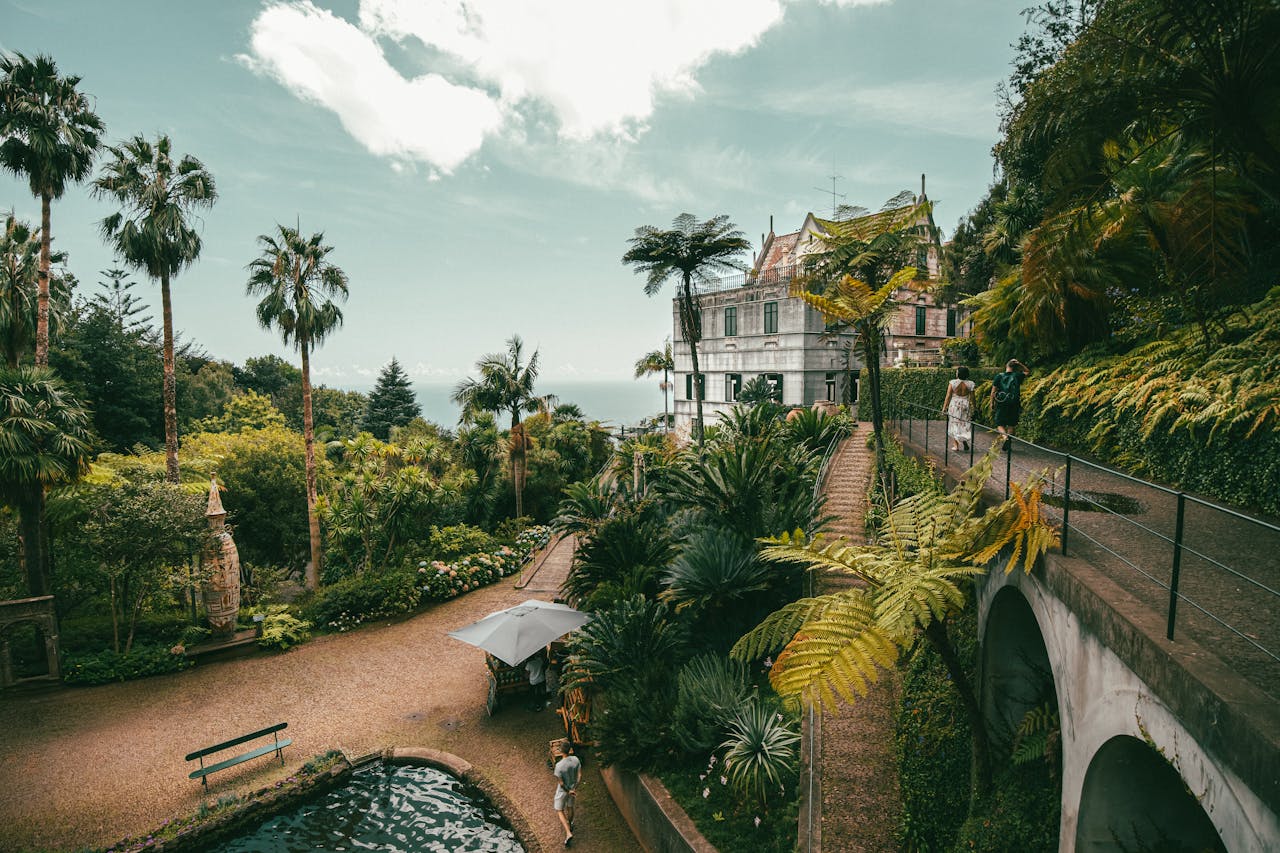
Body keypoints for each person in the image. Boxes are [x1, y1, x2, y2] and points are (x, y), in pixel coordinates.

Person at [990, 358, 1031, 437]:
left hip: (1001, 402)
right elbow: (1027, 371)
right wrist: (1020, 363)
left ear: (1006, 365)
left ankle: (1005, 438)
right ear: (1016, 367)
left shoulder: (999, 376)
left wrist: (991, 403)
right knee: (1011, 424)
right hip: (1014, 402)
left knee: (999, 423)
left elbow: (993, 391)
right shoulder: (1018, 376)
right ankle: (1009, 440)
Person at [552, 738, 581, 847]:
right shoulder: (576, 760)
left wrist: (568, 790)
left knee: (559, 810)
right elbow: (579, 776)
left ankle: (568, 832)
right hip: (573, 788)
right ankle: (571, 823)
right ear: (570, 750)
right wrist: (574, 789)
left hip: (563, 791)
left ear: (560, 751)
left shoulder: (559, 766)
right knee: (570, 807)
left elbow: (561, 783)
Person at [941, 365, 975, 451]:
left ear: (958, 373)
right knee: (963, 423)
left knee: (954, 423)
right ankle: (964, 440)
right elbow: (973, 398)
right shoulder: (971, 384)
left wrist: (944, 408)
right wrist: (974, 407)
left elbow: (948, 396)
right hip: (965, 405)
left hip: (954, 405)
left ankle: (956, 446)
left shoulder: (953, 383)